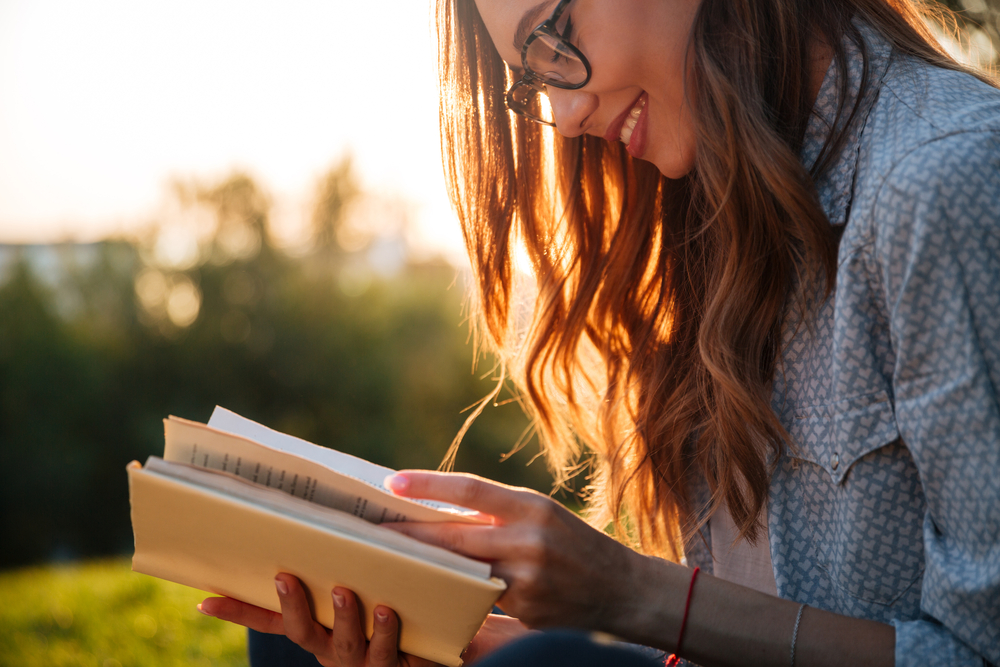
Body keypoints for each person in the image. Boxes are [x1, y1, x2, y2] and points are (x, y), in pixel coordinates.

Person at [198, 0, 1000, 665]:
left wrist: (634, 594)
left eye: (557, 37)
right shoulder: (717, 223)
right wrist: (476, 646)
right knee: (311, 642)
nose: (568, 115)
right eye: (532, 81)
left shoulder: (943, 184)